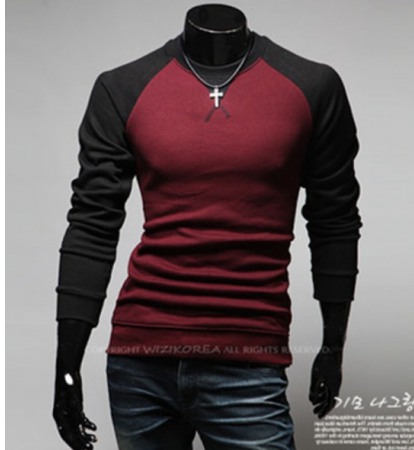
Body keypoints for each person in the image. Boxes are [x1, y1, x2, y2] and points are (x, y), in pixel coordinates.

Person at [52, 4, 362, 449]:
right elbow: (92, 224)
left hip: (249, 361)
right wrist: (67, 363)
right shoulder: (122, 87)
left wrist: (333, 347)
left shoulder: (311, 85)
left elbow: (335, 220)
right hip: (139, 364)